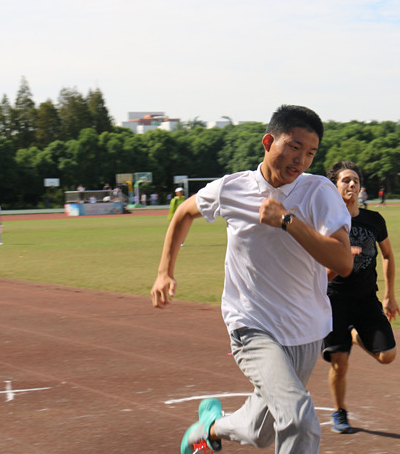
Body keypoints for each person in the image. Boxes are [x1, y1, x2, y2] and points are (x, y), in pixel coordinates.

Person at [150, 105, 352, 454]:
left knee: (262, 431)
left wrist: (288, 221)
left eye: (310, 153)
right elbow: (184, 212)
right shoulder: (232, 188)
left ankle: (208, 428)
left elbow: (343, 262)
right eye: (294, 146)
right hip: (251, 325)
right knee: (299, 419)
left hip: (305, 331)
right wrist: (164, 271)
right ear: (268, 141)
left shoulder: (319, 191)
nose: (301, 159)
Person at [322, 161, 399, 435]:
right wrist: (342, 259)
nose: (352, 184)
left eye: (355, 180)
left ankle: (356, 335)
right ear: (334, 187)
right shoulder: (325, 221)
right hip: (333, 302)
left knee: (387, 355)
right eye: (345, 180)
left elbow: (388, 255)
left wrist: (390, 295)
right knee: (340, 364)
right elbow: (318, 270)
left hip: (367, 300)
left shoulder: (373, 220)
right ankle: (339, 412)